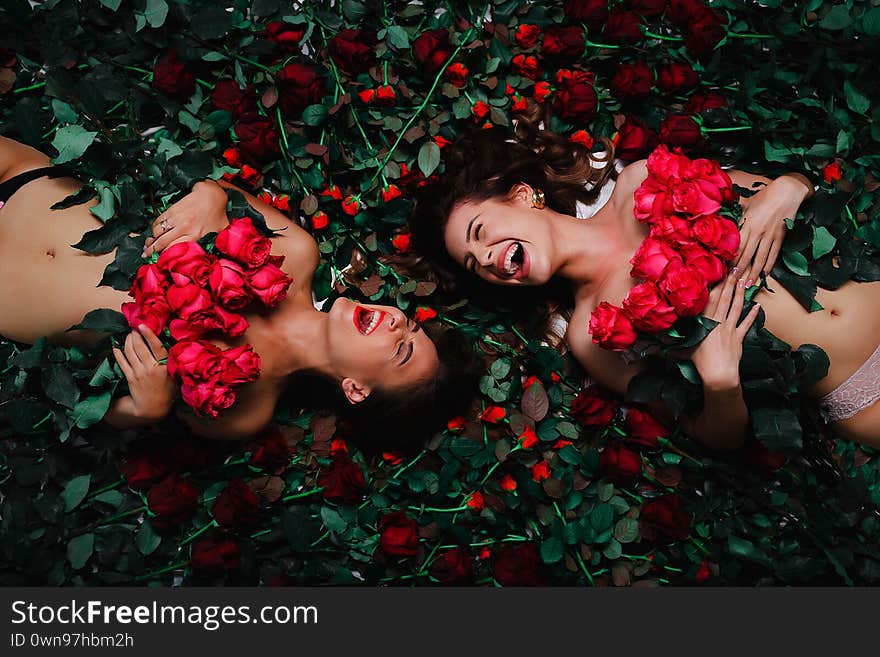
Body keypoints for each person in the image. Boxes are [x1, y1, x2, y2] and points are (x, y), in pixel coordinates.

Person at [410, 124, 880, 450]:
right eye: (476, 264)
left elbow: (791, 204)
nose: (489, 257)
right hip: (865, 395)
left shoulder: (643, 181)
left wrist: (791, 186)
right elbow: (716, 437)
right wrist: (719, 382)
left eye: (480, 233)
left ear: (519, 195)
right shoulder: (591, 335)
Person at [0, 136, 477, 443]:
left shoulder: (244, 409)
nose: (396, 322)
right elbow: (212, 191)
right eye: (411, 324)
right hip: (20, 182)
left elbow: (96, 411)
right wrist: (209, 198)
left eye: (401, 351)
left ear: (356, 390)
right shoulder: (297, 253)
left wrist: (145, 410)